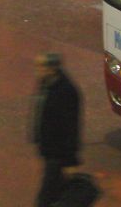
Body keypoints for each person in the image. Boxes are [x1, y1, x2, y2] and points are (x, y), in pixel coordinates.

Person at [31, 52, 82, 207]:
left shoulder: (67, 92)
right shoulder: (46, 83)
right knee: (55, 193)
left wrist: (70, 161)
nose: (36, 70)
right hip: (49, 149)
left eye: (40, 66)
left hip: (58, 153)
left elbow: (71, 128)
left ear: (52, 69)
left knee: (45, 197)